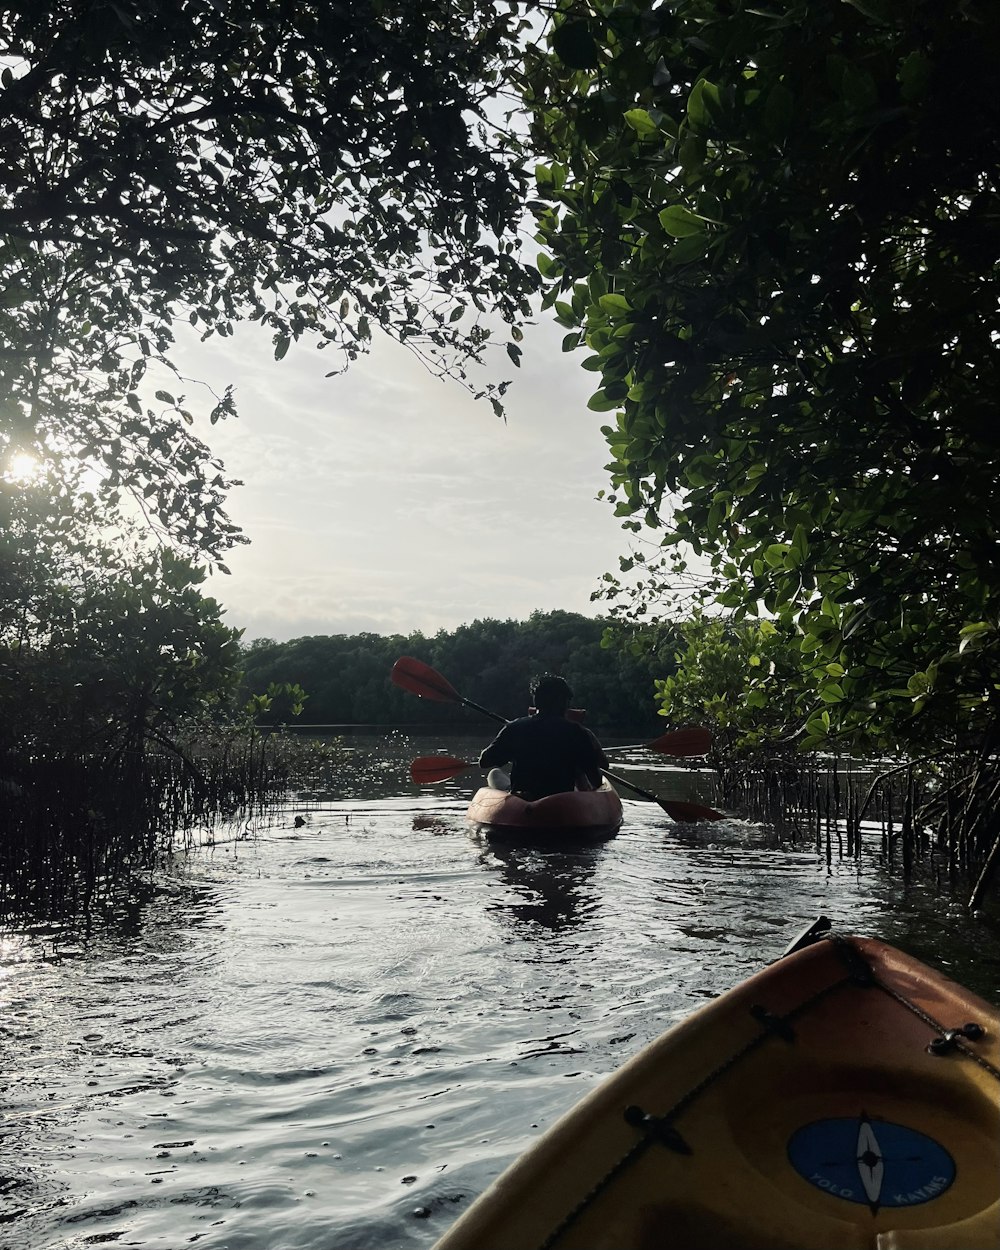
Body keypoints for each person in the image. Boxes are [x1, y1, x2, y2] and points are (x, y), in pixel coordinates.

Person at [478, 675, 608, 799]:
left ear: (536, 701)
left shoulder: (515, 728)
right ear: (564, 702)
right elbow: (596, 781)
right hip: (563, 801)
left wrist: (513, 751)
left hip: (522, 799)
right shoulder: (579, 732)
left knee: (494, 773)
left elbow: (484, 762)